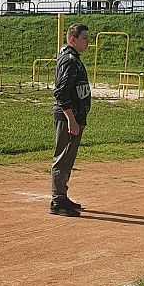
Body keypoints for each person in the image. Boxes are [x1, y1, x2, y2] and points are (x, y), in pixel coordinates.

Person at [50, 23, 91, 217]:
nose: (88, 42)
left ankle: (62, 196)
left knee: (68, 159)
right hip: (69, 116)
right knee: (63, 158)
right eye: (84, 38)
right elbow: (60, 91)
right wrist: (71, 119)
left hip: (75, 116)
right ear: (72, 39)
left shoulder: (74, 58)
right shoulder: (69, 60)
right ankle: (57, 202)